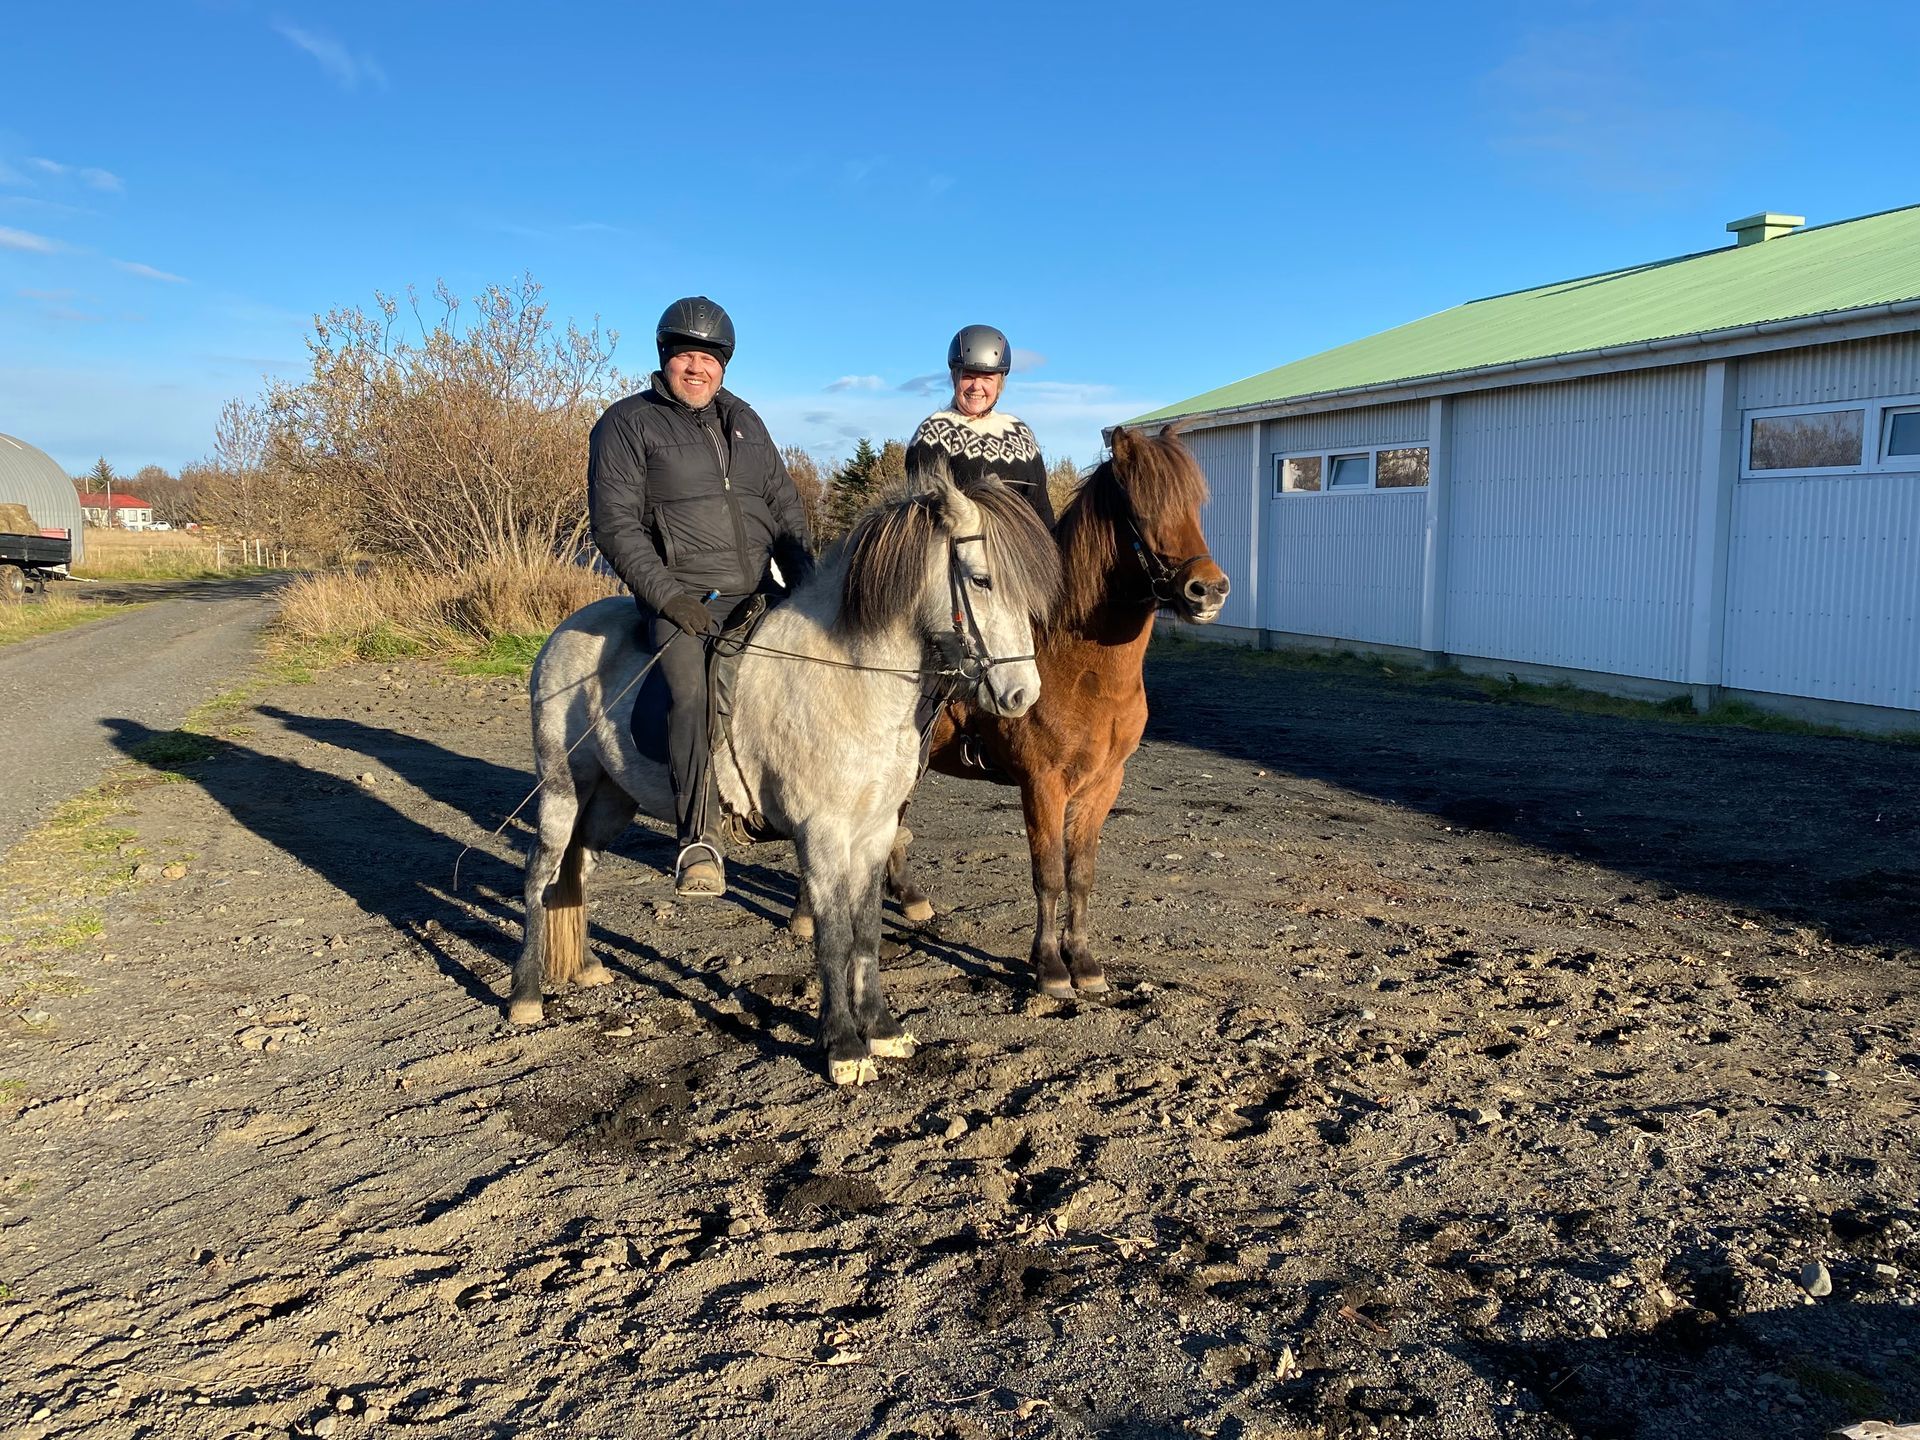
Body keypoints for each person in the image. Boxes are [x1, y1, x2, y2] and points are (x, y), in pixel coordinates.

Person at [588, 296, 815, 898]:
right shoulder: (626, 422)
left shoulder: (747, 422)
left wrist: (805, 575)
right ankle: (699, 839)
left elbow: (783, 502)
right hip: (684, 595)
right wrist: (666, 597)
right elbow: (616, 525)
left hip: (758, 590)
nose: (698, 368)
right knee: (689, 691)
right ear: (665, 358)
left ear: (724, 365)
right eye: (686, 355)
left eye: (709, 358)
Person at [905, 324, 1054, 528]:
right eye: (968, 376)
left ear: (999, 383)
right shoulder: (934, 433)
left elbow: (1041, 509)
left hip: (1020, 556)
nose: (977, 386)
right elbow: (925, 518)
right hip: (959, 553)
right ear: (954, 377)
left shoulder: (1020, 435)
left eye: (987, 378)